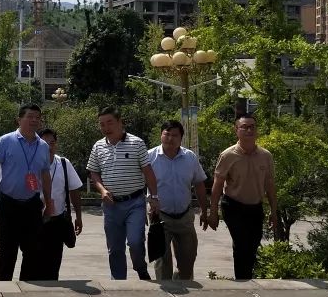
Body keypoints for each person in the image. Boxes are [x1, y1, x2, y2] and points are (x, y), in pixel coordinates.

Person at [86, 106, 159, 280]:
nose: (106, 127)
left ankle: (140, 268)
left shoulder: (137, 143)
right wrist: (102, 190)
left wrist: (154, 197)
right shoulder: (98, 146)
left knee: (135, 242)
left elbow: (148, 172)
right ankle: (118, 281)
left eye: (110, 122)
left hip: (134, 202)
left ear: (120, 122)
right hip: (111, 205)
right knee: (115, 247)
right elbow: (93, 173)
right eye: (102, 124)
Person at [0, 104, 53, 281]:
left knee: (32, 248)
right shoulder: (5, 141)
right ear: (19, 119)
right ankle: (3, 283)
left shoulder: (43, 146)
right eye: (30, 116)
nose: (34, 120)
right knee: (7, 247)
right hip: (9, 203)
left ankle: (27, 285)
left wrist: (49, 202)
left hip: (32, 203)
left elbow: (45, 175)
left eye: (37, 117)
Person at [206, 113, 278, 280]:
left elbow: (270, 186)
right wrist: (213, 212)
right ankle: (242, 280)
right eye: (244, 127)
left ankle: (247, 276)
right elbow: (217, 186)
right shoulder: (228, 155)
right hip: (233, 206)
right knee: (241, 243)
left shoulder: (265, 156)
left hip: (255, 207)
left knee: (253, 244)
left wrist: (274, 212)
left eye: (252, 127)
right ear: (236, 130)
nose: (249, 130)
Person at [148, 120, 207, 281]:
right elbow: (139, 185)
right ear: (161, 135)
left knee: (188, 261)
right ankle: (166, 294)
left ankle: (182, 288)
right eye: (166, 134)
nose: (170, 138)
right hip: (160, 216)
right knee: (162, 261)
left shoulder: (189, 157)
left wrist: (205, 210)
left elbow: (199, 184)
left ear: (181, 138)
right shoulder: (149, 157)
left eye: (175, 135)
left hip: (184, 216)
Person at [37, 127, 83, 281]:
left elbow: (74, 190)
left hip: (57, 221)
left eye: (52, 143)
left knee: (54, 260)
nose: (49, 146)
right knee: (34, 259)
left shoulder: (63, 163)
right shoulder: (31, 163)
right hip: (36, 220)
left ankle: (52, 289)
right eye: (45, 143)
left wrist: (78, 216)